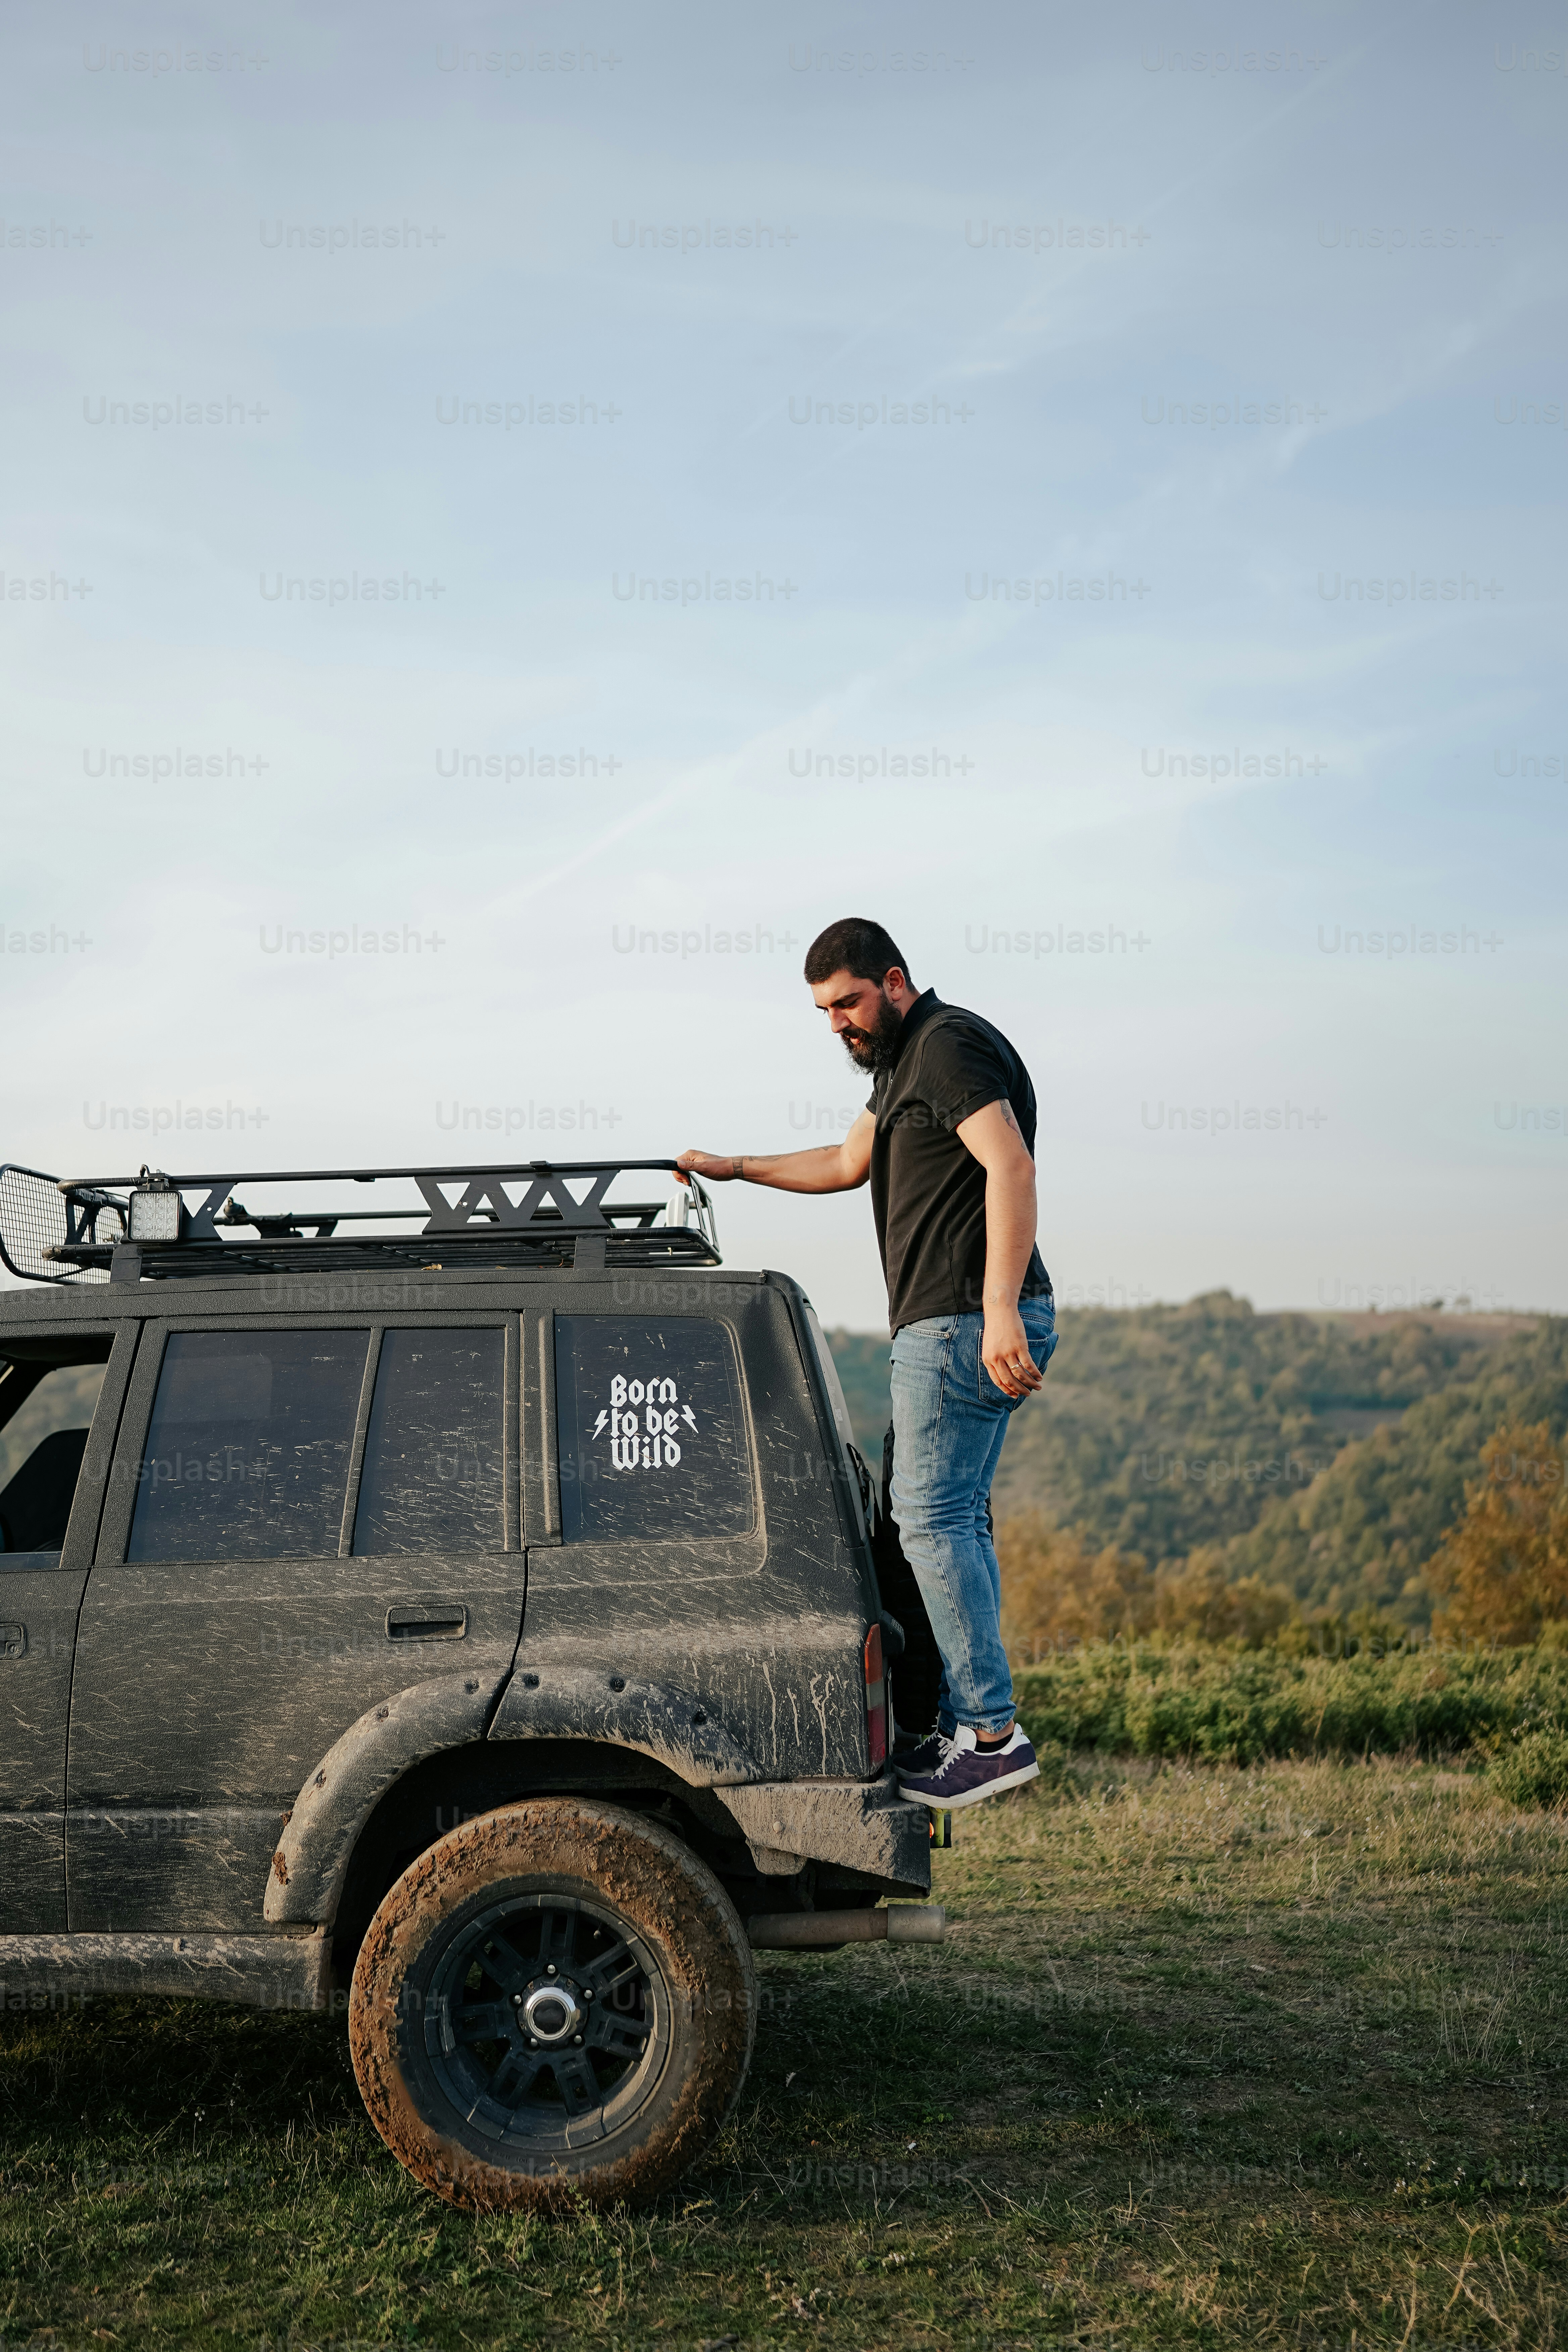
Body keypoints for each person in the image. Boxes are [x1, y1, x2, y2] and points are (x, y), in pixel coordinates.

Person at [679, 915, 1056, 1811]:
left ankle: (991, 1734)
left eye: (848, 1002)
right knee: (951, 1521)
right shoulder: (902, 1068)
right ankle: (972, 1725)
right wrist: (734, 1168)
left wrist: (999, 1309)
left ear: (893, 980)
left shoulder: (946, 1045)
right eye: (825, 1012)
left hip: (964, 1317)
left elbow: (1012, 1170)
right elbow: (849, 1162)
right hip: (957, 1320)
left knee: (927, 1524)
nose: (840, 1023)